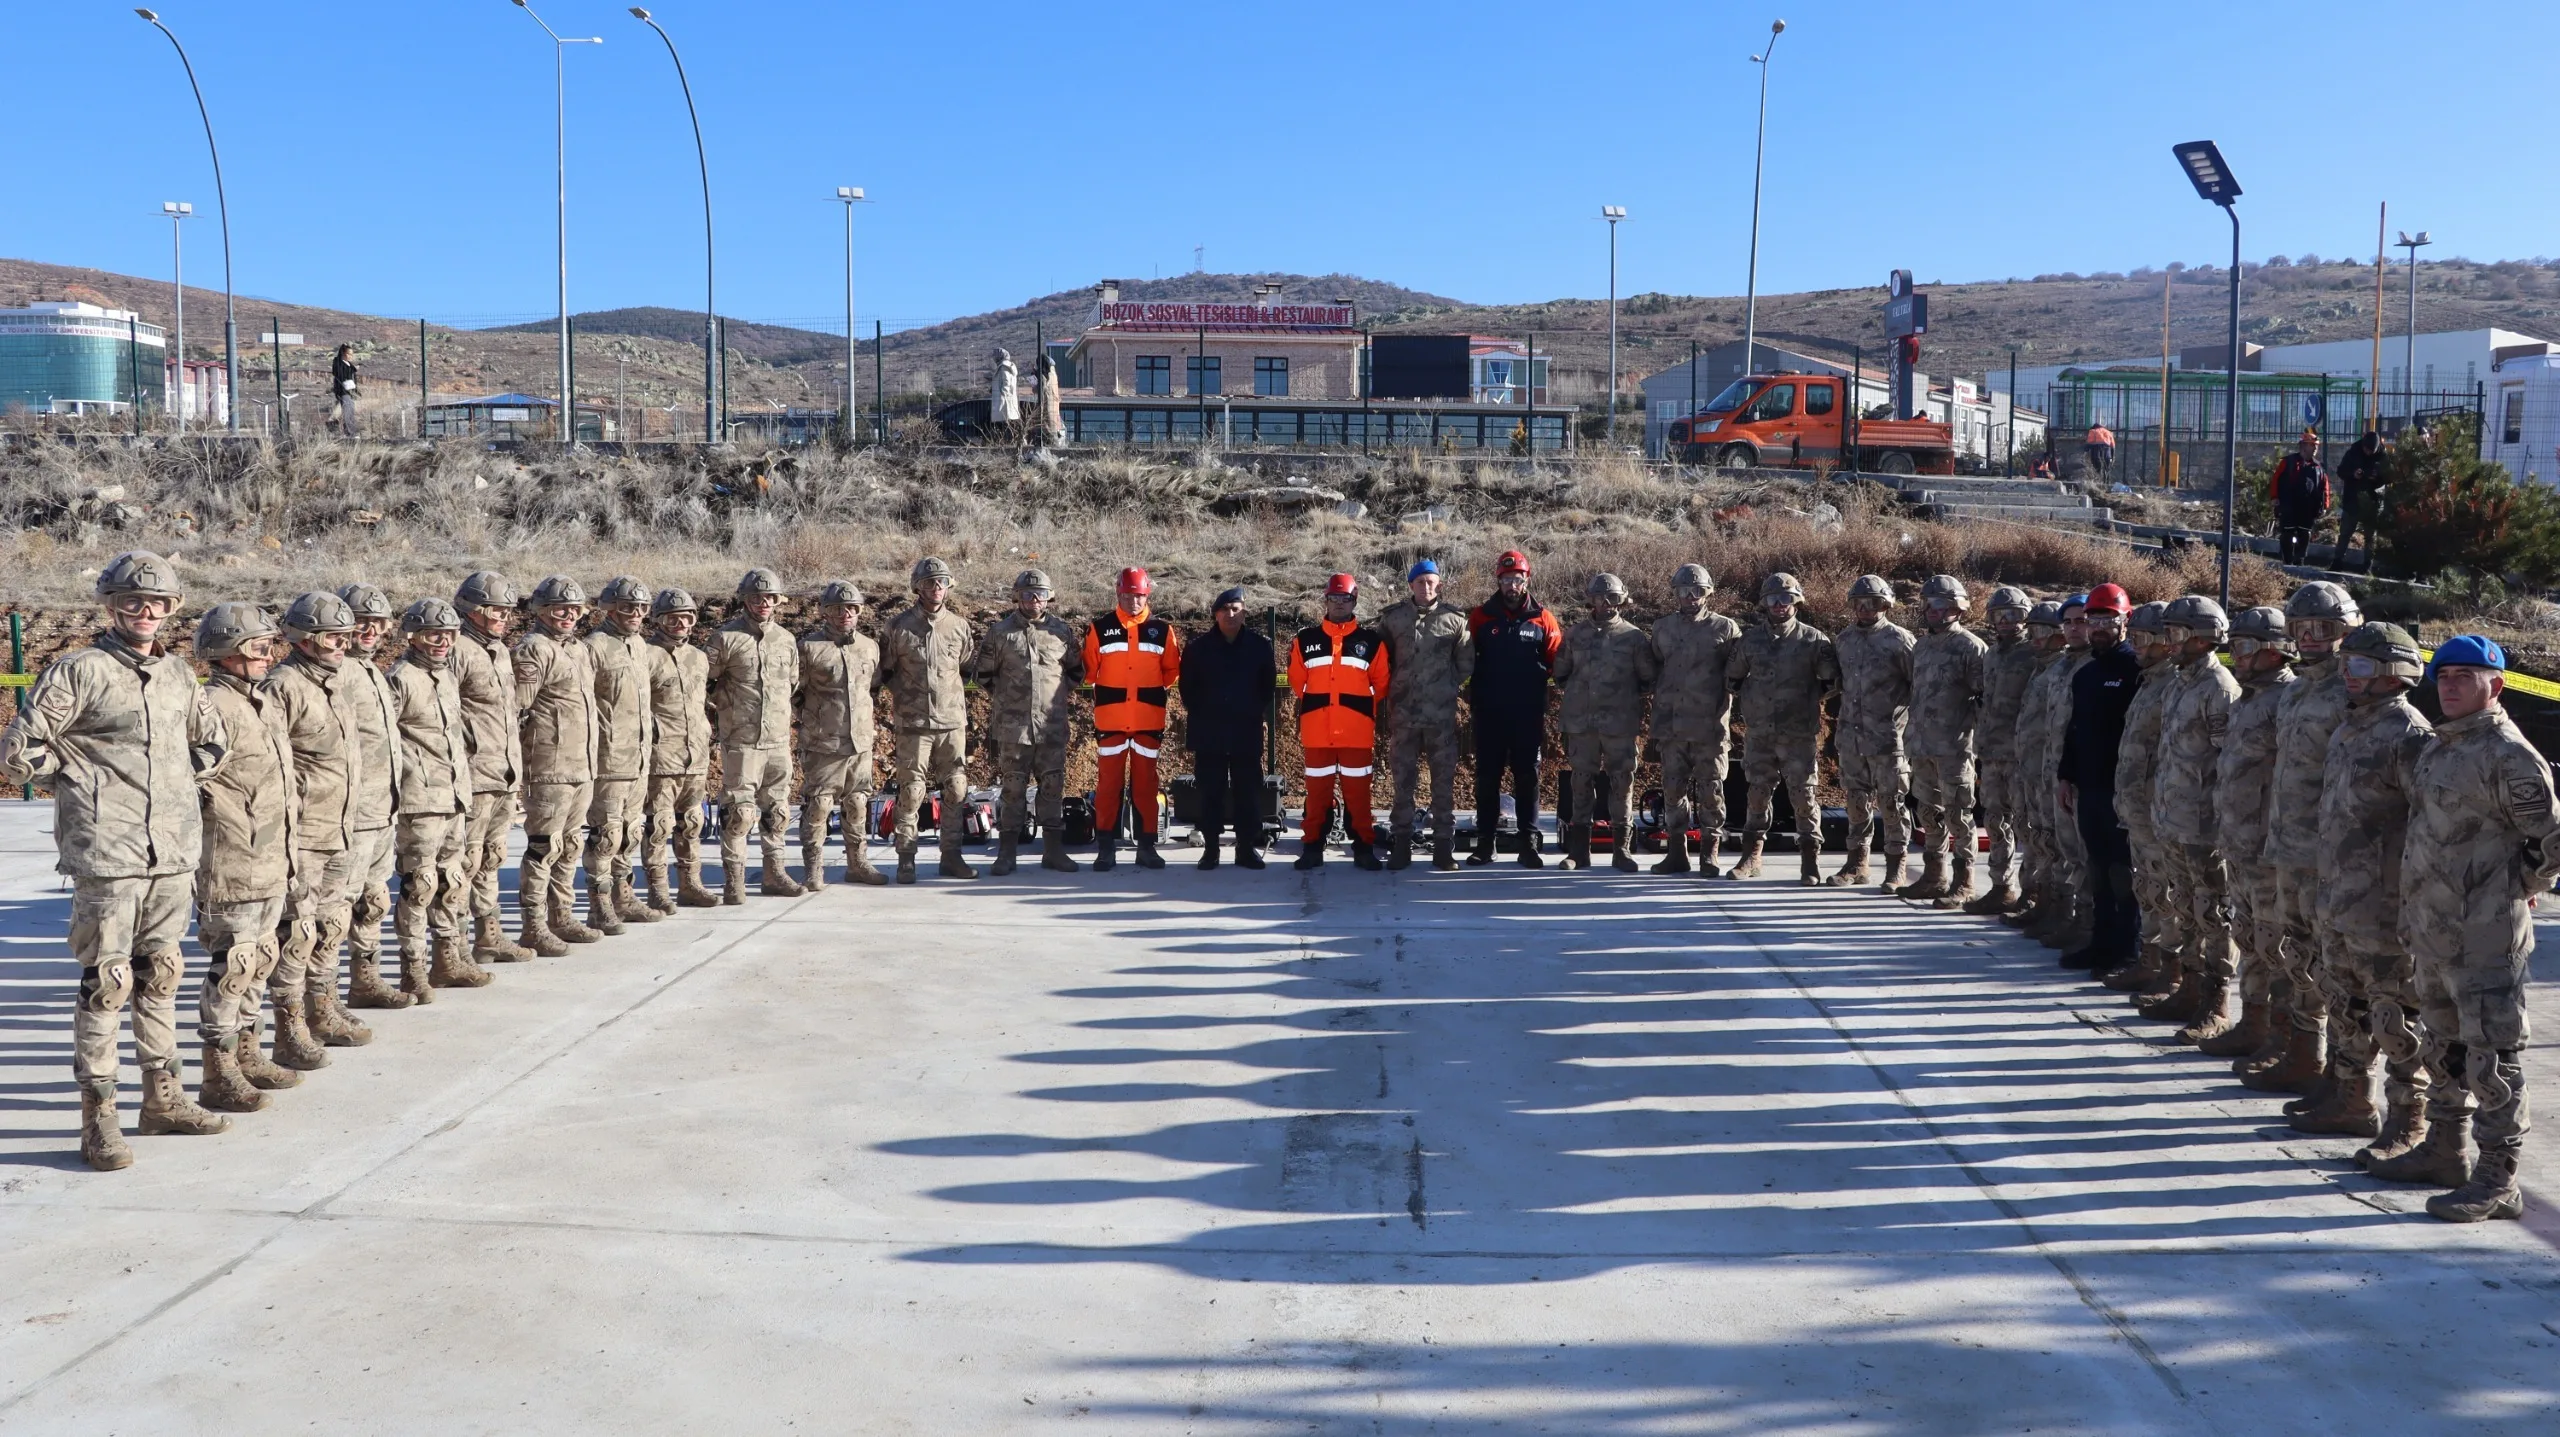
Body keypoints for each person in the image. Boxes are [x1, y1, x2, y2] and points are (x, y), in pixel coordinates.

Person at [0, 553, 232, 1168]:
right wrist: (80, 776)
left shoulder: (181, 675)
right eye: (132, 601)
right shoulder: (79, 671)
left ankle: (163, 1100)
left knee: (161, 974)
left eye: (158, 603)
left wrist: (182, 779)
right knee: (108, 982)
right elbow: (19, 753)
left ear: (173, 609)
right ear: (110, 605)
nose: (145, 612)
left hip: (173, 852)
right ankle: (98, 1119)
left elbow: (213, 743)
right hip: (108, 853)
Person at [2400, 636, 2560, 1221]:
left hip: (2486, 938)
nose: (2450, 685)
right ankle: (2445, 1150)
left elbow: (2552, 837)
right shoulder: (2441, 748)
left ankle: (2498, 1179)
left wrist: (2519, 883)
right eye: (2443, 675)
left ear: (2496, 685)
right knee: (2443, 1048)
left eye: (2466, 675)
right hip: (2434, 930)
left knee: (2493, 1058)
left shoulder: (2508, 754)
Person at [2293, 621, 2434, 1168]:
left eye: (2358, 667)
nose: (2346, 676)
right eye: (2344, 665)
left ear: (2394, 673)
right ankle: (2349, 1097)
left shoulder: (2409, 736)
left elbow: (2426, 825)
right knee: (2344, 1002)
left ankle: (2410, 1121)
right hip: (2340, 897)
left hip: (2384, 907)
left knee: (2397, 1017)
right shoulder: (2351, 726)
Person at [2241, 581, 2362, 1097]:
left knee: (2330, 967)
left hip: (2328, 857)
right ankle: (2300, 1051)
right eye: (2303, 629)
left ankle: (2337, 1071)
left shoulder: (2352, 694)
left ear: (2347, 631)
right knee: (2295, 956)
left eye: (2327, 629)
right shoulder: (2292, 693)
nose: (2313, 638)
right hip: (2283, 849)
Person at [190, 602, 309, 1111]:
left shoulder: (263, 702)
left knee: (260, 960)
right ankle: (217, 1072)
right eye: (259, 648)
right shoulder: (211, 706)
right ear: (227, 651)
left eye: (270, 647)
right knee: (232, 966)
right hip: (232, 859)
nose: (269, 656)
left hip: (272, 857)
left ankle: (249, 1052)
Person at [268, 590, 374, 1047]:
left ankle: (323, 1006)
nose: (340, 645)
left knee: (332, 923)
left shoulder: (332, 683)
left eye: (344, 637)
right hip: (305, 832)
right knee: (297, 930)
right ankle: (289, 1026)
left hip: (340, 825)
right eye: (330, 637)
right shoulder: (284, 685)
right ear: (302, 638)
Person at [2147, 596, 2243, 1041]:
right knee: (2185, 907)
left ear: (2205, 638)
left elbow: (2227, 758)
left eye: (2178, 634)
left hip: (2204, 825)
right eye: (2168, 633)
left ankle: (2217, 1000)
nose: (2170, 641)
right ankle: (2187, 986)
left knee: (2213, 913)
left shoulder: (2219, 686)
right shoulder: (2179, 682)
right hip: (2173, 818)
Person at [2206, 607, 2297, 1066]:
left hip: (2269, 846)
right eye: (2233, 646)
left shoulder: (2287, 701)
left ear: (2274, 651)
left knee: (2275, 944)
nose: (2234, 656)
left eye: (2244, 647)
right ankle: (2253, 1023)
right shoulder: (2247, 698)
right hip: (2239, 841)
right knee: (2248, 936)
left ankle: (2281, 1038)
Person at [385, 597, 488, 997]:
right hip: (421, 800)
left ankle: (449, 957)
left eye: (448, 635)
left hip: (454, 795)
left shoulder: (445, 676)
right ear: (413, 636)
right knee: (419, 885)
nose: (442, 641)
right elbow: (385, 740)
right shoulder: (401, 677)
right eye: (433, 634)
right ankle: (413, 968)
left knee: (453, 880)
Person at [1726, 572, 1839, 885]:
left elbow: (1829, 683)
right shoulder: (1749, 640)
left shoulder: (1815, 640)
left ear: (1797, 601)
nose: (1780, 605)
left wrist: (1801, 701)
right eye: (1773, 599)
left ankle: (1810, 861)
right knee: (1757, 795)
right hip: (1760, 733)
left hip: (1798, 734)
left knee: (1804, 796)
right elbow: (1733, 678)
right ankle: (1751, 857)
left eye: (1786, 598)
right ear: (1764, 603)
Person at [513, 576, 604, 951]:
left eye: (574, 609)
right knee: (543, 847)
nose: (568, 615)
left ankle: (561, 916)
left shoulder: (578, 649)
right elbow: (517, 709)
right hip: (549, 767)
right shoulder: (533, 650)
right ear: (541, 611)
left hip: (581, 765)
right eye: (558, 609)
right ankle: (533, 924)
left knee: (569, 846)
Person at [973, 570, 1084, 876]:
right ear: (1017, 596)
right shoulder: (1000, 633)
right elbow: (982, 675)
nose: (1034, 600)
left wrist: (1054, 697)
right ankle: (1007, 853)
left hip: (1051, 727)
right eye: (1027, 594)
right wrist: (1009, 700)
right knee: (1012, 791)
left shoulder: (1062, 632)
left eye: (1040, 594)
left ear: (1049, 597)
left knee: (1052, 789)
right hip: (1014, 730)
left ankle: (1053, 851)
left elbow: (1075, 673)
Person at [2097, 602, 2180, 998]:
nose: (2138, 648)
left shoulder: (2174, 686)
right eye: (2136, 638)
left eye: (2146, 640)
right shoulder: (2150, 681)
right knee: (2147, 887)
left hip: (2161, 808)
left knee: (2165, 892)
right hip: (2136, 806)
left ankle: (2170, 970)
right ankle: (2149, 962)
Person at [334, 584, 410, 1012]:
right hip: (353, 813)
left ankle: (366, 979)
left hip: (383, 809)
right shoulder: (337, 673)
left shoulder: (372, 672)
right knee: (337, 911)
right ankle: (323, 997)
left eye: (379, 623)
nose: (371, 629)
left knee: (373, 902)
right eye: (362, 621)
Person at [452, 572, 534, 964]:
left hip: (503, 773)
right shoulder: (456, 649)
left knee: (491, 858)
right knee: (463, 863)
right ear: (473, 611)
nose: (504, 617)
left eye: (507, 611)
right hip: (473, 775)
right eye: (496, 610)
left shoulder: (499, 650)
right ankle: (454, 946)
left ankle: (489, 936)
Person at [707, 568, 803, 901]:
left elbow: (792, 685)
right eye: (756, 598)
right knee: (740, 814)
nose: (763, 603)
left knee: (777, 812)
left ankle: (774, 875)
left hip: (777, 742)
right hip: (742, 743)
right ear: (745, 600)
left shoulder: (787, 640)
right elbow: (704, 685)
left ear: (778, 601)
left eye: (769, 598)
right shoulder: (724, 638)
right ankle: (734, 881)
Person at [2056, 586, 2139, 973]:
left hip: (2121, 793)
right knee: (2098, 870)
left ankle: (2128, 952)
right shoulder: (2086, 675)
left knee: (2124, 874)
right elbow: (2075, 731)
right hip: (2089, 790)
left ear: (2126, 620)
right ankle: (2100, 944)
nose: (2100, 627)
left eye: (2108, 619)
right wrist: (2065, 777)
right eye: (2095, 620)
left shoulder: (2135, 671)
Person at [1553, 572, 1659, 872]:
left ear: (1622, 600)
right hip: (1582, 724)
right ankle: (1579, 851)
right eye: (1599, 598)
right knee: (1581, 783)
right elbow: (1560, 673)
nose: (1605, 604)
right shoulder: (1574, 635)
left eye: (1612, 598)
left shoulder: (1634, 637)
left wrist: (1620, 697)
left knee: (1621, 785)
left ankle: (1621, 851)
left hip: (1620, 725)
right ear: (1591, 600)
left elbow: (1648, 679)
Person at [882, 557, 977, 883]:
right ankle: (906, 858)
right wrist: (906, 699)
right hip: (914, 724)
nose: (936, 588)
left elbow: (965, 669)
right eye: (929, 582)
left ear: (948, 587)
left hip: (951, 723)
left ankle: (951, 855)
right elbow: (886, 671)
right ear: (917, 587)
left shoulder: (960, 626)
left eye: (942, 582)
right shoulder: (898, 627)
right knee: (911, 791)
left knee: (956, 787)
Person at [1466, 550, 1563, 867]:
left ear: (1526, 580)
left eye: (1517, 580)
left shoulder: (1543, 618)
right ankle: (1484, 844)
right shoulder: (1480, 617)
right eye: (1506, 580)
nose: (1512, 586)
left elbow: (1558, 663)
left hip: (1527, 715)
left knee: (1528, 779)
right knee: (1487, 778)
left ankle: (1529, 845)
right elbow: (1465, 662)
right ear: (1498, 580)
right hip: (1489, 714)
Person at [1290, 573, 1392, 871]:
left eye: (1344, 598)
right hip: (1317, 733)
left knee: (1359, 796)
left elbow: (1381, 684)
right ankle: (1312, 847)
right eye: (1333, 598)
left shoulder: (1371, 642)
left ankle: (1363, 848)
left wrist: (1355, 708)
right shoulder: (1305, 640)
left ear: (1354, 600)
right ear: (1326, 600)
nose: (1338, 604)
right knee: (1317, 794)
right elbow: (1298, 683)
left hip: (1356, 733)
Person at [1377, 559, 1474, 871]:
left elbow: (1465, 663)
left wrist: (1443, 687)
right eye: (1420, 582)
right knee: (1403, 781)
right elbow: (1383, 659)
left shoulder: (1454, 619)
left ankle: (1443, 847)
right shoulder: (1393, 619)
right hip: (1403, 715)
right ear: (1411, 585)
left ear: (1439, 585)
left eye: (1431, 582)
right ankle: (1401, 845)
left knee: (1443, 783)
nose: (1426, 587)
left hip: (1440, 716)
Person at [1081, 566, 1180, 871]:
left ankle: (1147, 847)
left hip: (1148, 722)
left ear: (1146, 594)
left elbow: (1171, 672)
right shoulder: (1100, 628)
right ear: (1118, 594)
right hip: (1110, 722)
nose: (1133, 601)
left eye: (1138, 595)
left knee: (1146, 785)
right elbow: (1090, 671)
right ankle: (1106, 848)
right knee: (1109, 785)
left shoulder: (1163, 631)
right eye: (1127, 595)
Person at [1648, 563, 1743, 877]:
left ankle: (1709, 855)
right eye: (1684, 591)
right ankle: (1677, 854)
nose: (1691, 597)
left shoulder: (1726, 629)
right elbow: (1654, 671)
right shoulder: (1661, 628)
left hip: (1710, 729)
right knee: (1673, 793)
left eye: (1698, 591)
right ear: (1675, 593)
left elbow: (1738, 675)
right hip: (1672, 728)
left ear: (1709, 593)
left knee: (1711, 793)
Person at [797, 580, 889, 888]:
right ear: (824, 612)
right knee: (818, 805)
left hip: (860, 741)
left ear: (859, 611)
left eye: (851, 608)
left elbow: (872, 687)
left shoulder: (869, 647)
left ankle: (857, 863)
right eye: (837, 609)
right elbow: (795, 692)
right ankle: (814, 867)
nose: (844, 614)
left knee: (858, 803)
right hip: (824, 743)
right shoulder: (809, 648)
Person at [1901, 575, 1987, 906]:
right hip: (1922, 746)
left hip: (1955, 747)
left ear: (1957, 608)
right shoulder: (1921, 646)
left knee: (1959, 814)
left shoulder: (1971, 647)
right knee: (1928, 811)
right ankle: (1935, 877)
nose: (1931, 611)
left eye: (1938, 605)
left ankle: (1964, 881)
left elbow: (1983, 698)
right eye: (1927, 604)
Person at [1179, 587, 1277, 871]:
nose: (1231, 614)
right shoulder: (1198, 649)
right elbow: (1188, 690)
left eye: (1236, 609)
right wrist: (1208, 714)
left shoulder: (1260, 646)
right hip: (1209, 732)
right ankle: (1210, 850)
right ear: (1215, 614)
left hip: (1245, 731)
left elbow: (1267, 687)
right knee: (1211, 792)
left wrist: (1247, 711)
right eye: (1225, 609)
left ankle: (1246, 850)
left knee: (1247, 792)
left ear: (1244, 612)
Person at [584, 576, 659, 931]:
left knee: (631, 832)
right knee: (606, 836)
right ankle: (599, 905)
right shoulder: (594, 647)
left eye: (643, 608)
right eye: (629, 607)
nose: (637, 614)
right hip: (609, 760)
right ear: (610, 608)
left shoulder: (641, 645)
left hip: (639, 758)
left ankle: (624, 897)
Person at [1830, 574, 1915, 889]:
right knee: (1855, 802)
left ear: (1886, 604)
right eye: (1859, 604)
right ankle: (1856, 864)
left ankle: (1896, 866)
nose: (1866, 609)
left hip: (1888, 739)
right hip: (1851, 738)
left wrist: (1907, 731)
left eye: (1873, 603)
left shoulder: (1900, 640)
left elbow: (1916, 688)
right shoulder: (1844, 639)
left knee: (1892, 803)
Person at [642, 588, 719, 910]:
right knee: (658, 825)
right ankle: (658, 890)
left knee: (691, 822)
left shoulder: (699, 658)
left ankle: (690, 883)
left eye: (686, 617)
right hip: (663, 755)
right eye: (672, 617)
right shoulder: (646, 655)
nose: (680, 623)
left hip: (696, 754)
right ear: (659, 620)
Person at [1965, 586, 2038, 914]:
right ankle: (2001, 886)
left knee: (2027, 826)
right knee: (1995, 821)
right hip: (1992, 751)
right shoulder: (1991, 654)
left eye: (2014, 615)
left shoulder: (2035, 653)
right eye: (1999, 616)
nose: (2006, 622)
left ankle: (2032, 893)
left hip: (2022, 753)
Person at [2002, 599, 2070, 926]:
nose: (2036, 637)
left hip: (2050, 771)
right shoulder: (2040, 667)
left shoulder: (2062, 670)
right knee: (2032, 835)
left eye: (2044, 630)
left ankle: (2052, 905)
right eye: (2033, 631)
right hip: (2029, 767)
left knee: (2051, 840)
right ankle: (2033, 896)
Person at [2271, 429, 2331, 566]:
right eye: (2312, 445)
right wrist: (2274, 497)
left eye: (2316, 445)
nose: (2315, 448)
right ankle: (2287, 560)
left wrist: (2325, 505)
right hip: (2288, 505)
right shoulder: (2288, 462)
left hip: (2308, 508)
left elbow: (2325, 487)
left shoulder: (2318, 467)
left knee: (2305, 534)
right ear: (2303, 446)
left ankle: (2299, 560)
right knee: (2287, 533)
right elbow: (2275, 479)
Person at [2334, 430, 2386, 570]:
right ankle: (2337, 561)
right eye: (2367, 450)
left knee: (2370, 536)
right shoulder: (2353, 452)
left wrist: (2377, 479)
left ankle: (2367, 566)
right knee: (2345, 533)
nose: (2369, 453)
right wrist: (2353, 474)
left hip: (2373, 502)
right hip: (2352, 500)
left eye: (2372, 451)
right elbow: (2340, 471)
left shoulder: (2383, 456)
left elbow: (2389, 476)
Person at [331, 343, 360, 437]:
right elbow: (339, 374)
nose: (351, 356)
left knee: (351, 411)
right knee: (347, 412)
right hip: (343, 391)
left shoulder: (349, 365)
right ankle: (349, 432)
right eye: (349, 354)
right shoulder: (339, 363)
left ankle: (350, 431)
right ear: (343, 354)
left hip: (350, 392)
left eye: (352, 354)